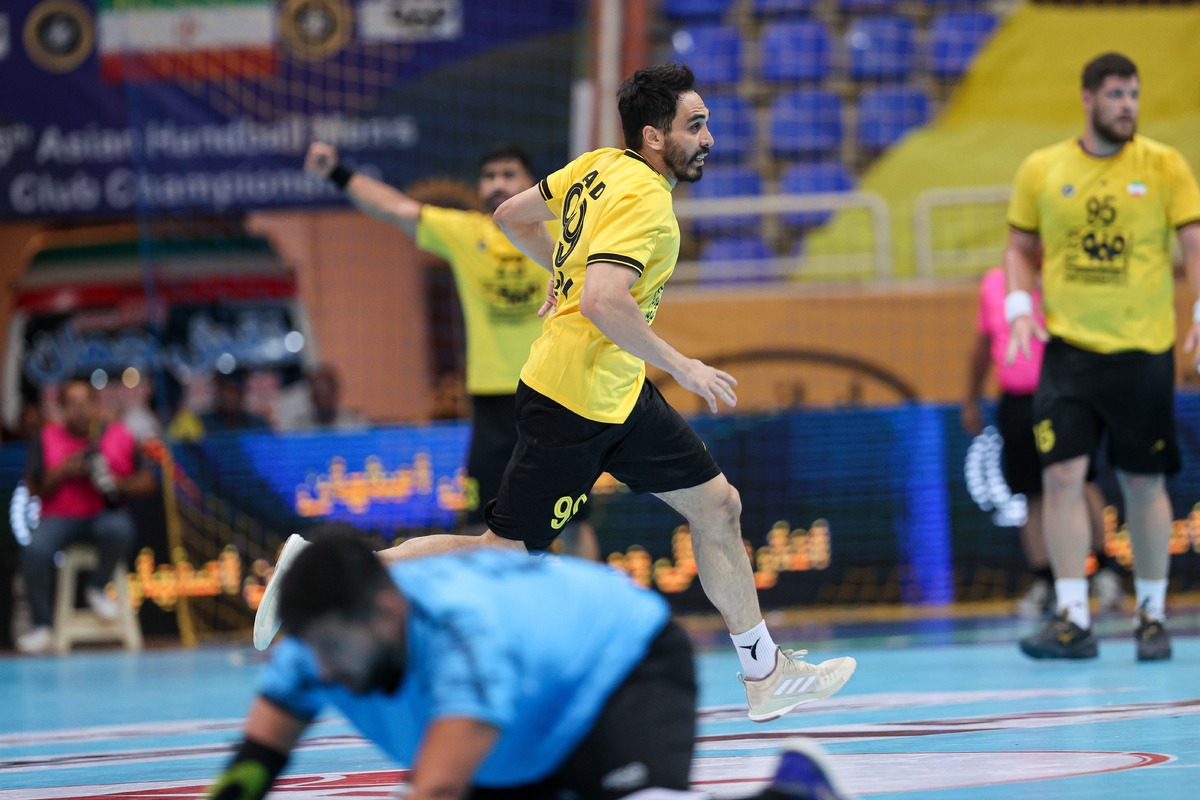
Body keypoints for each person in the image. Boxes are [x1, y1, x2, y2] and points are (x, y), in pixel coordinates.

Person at [263, 63, 856, 722]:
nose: (708, 138)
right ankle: (318, 573)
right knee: (500, 552)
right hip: (573, 398)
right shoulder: (646, 202)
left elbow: (509, 216)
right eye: (695, 125)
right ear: (655, 136)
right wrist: (682, 365)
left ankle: (763, 672)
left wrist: (562, 270)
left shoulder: (599, 165)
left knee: (718, 505)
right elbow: (602, 300)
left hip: (617, 391)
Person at [207, 532, 854, 800]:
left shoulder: (463, 643)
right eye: (311, 650)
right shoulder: (314, 648)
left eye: (333, 648)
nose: (322, 671)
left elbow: (436, 789)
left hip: (620, 662)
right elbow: (254, 763)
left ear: (386, 611)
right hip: (528, 710)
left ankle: (796, 791)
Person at [303, 140, 598, 559]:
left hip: (557, 392)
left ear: (533, 183)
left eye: (508, 174)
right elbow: (395, 208)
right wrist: (337, 172)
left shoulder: (565, 232)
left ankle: (593, 600)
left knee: (576, 521)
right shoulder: (466, 233)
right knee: (482, 522)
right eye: (489, 177)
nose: (497, 184)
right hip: (493, 403)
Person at [1004, 52, 1200, 661]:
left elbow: (1194, 244)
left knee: (1143, 482)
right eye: (1116, 94)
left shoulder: (1164, 165)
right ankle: (1072, 618)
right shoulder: (1043, 168)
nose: (1127, 106)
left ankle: (1151, 616)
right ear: (1088, 98)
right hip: (1068, 353)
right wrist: (1018, 304)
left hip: (1142, 352)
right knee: (1061, 477)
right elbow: (1019, 247)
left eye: (1134, 95)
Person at [962, 266, 1125, 619]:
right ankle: (1045, 582)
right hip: (1017, 402)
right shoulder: (994, 283)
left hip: (1066, 396)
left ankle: (1105, 572)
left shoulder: (1065, 273)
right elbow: (983, 344)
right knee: (1031, 492)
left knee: (1080, 480)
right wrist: (970, 399)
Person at [16, 377, 156, 654]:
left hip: (102, 515)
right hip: (58, 518)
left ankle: (97, 585)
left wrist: (114, 483)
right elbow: (32, 488)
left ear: (95, 405)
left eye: (85, 403)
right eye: (72, 403)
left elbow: (148, 482)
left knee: (119, 529)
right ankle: (42, 625)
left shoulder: (118, 434)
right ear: (61, 408)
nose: (79, 410)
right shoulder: (46, 436)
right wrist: (63, 471)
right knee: (34, 549)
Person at [275, 362, 369, 432]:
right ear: (311, 395)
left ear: (336, 391)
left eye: (327, 390)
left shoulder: (356, 422)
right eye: (317, 391)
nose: (323, 398)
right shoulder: (299, 427)